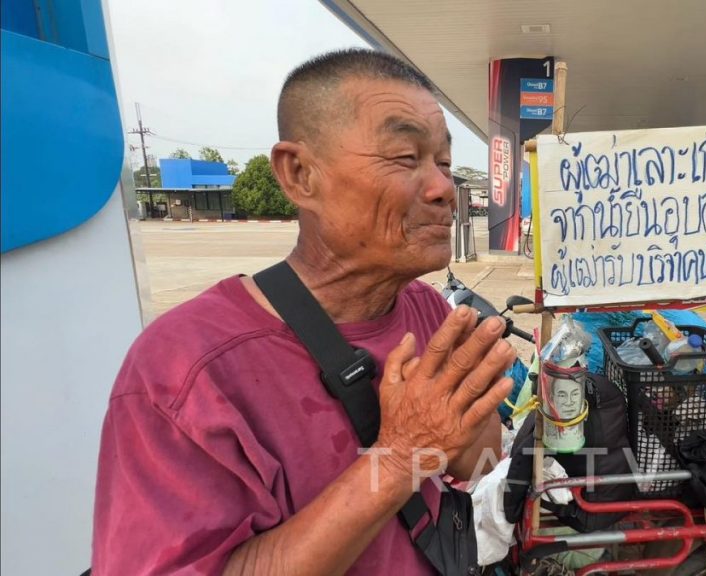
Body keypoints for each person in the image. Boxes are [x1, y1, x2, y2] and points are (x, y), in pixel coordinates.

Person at [91, 48, 517, 575]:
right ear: (299, 175)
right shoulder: (182, 370)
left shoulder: (430, 311)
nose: (443, 189)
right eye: (406, 157)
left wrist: (464, 417)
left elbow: (480, 462)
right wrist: (400, 458)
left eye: (444, 163)